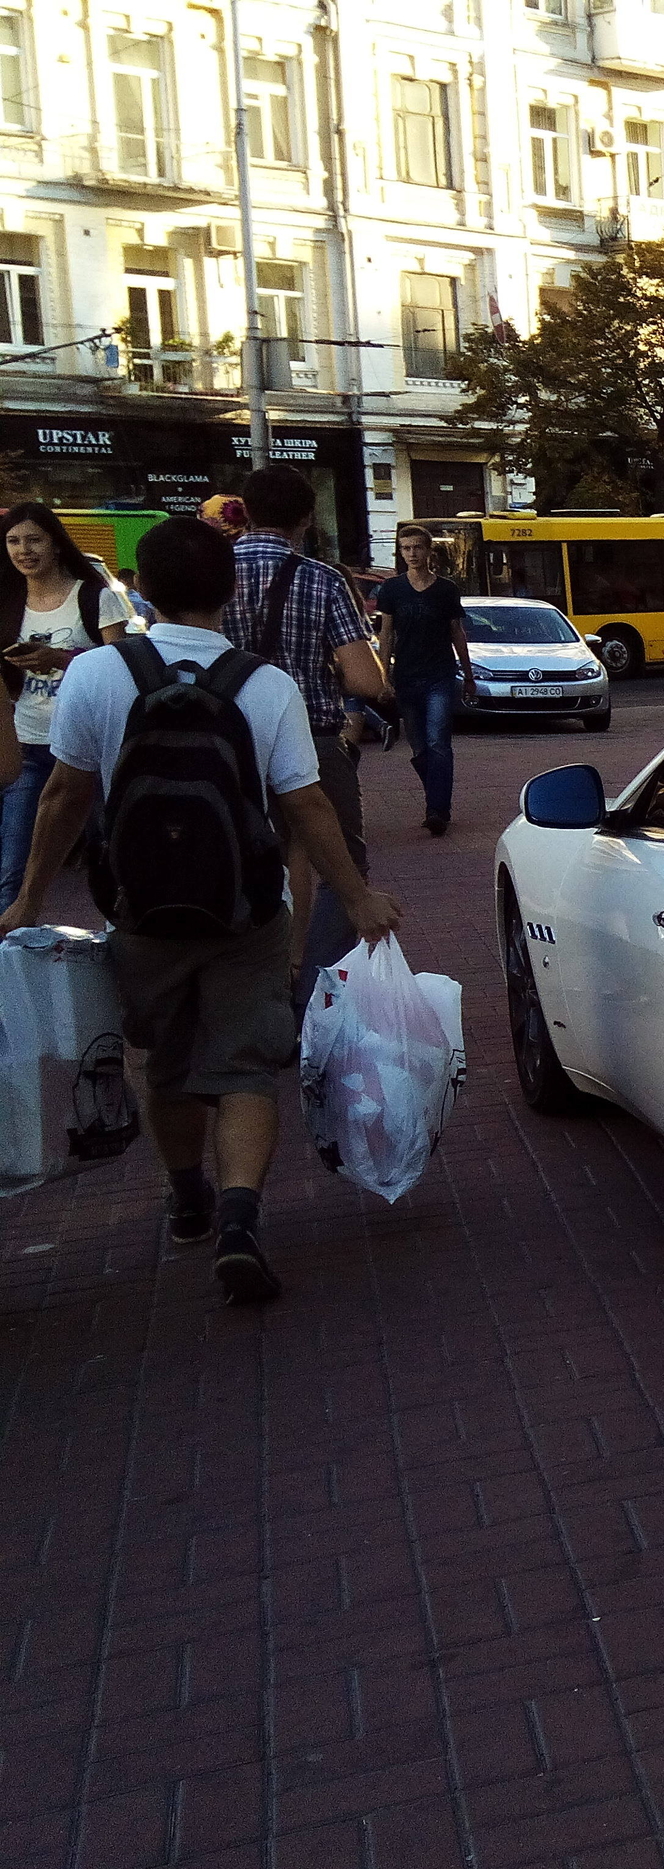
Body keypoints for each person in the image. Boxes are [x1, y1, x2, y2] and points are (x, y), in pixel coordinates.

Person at [0, 517, 402, 1304]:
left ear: (142, 588)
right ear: (229, 589)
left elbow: (64, 796)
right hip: (246, 911)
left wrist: (27, 899)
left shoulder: (97, 674)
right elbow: (307, 804)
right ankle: (242, 1220)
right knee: (246, 1063)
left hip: (140, 911)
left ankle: (189, 1195)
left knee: (167, 1060)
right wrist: (357, 896)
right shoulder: (265, 684)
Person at [222, 467, 391, 987]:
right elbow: (367, 681)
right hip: (311, 740)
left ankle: (249, 974)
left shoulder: (212, 571)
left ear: (245, 511)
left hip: (225, 743)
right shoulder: (321, 578)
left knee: (243, 858)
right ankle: (310, 980)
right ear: (306, 517)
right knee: (341, 864)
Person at [0, 503, 134, 909]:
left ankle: (115, 944)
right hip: (28, 745)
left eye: (34, 539)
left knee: (107, 855)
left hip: (88, 747)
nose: (24, 550)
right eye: (13, 541)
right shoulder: (7, 601)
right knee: (14, 868)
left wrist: (57, 659)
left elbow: (123, 665)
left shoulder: (94, 596)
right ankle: (12, 962)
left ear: (56, 544)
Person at [371, 523, 473, 835]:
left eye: (417, 547)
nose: (412, 553)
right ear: (400, 553)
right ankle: (436, 796)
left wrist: (468, 675)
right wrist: (383, 677)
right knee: (419, 749)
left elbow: (457, 632)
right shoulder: (392, 590)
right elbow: (386, 634)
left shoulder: (445, 590)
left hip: (439, 676)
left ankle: (437, 810)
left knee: (437, 742)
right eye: (406, 548)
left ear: (428, 551)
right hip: (406, 678)